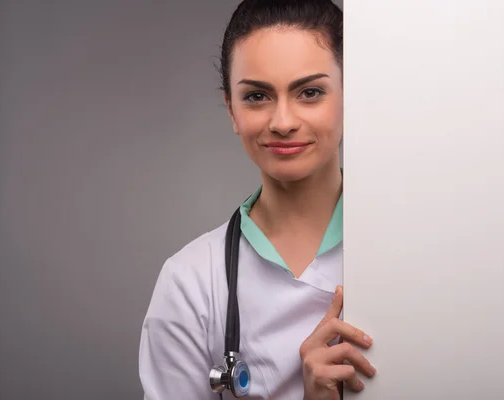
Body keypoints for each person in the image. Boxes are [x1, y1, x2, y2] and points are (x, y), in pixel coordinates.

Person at [138, 1, 376, 398]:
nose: (282, 122)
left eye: (310, 92)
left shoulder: (414, 250)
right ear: (231, 108)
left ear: (351, 97)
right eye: (256, 97)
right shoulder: (191, 283)